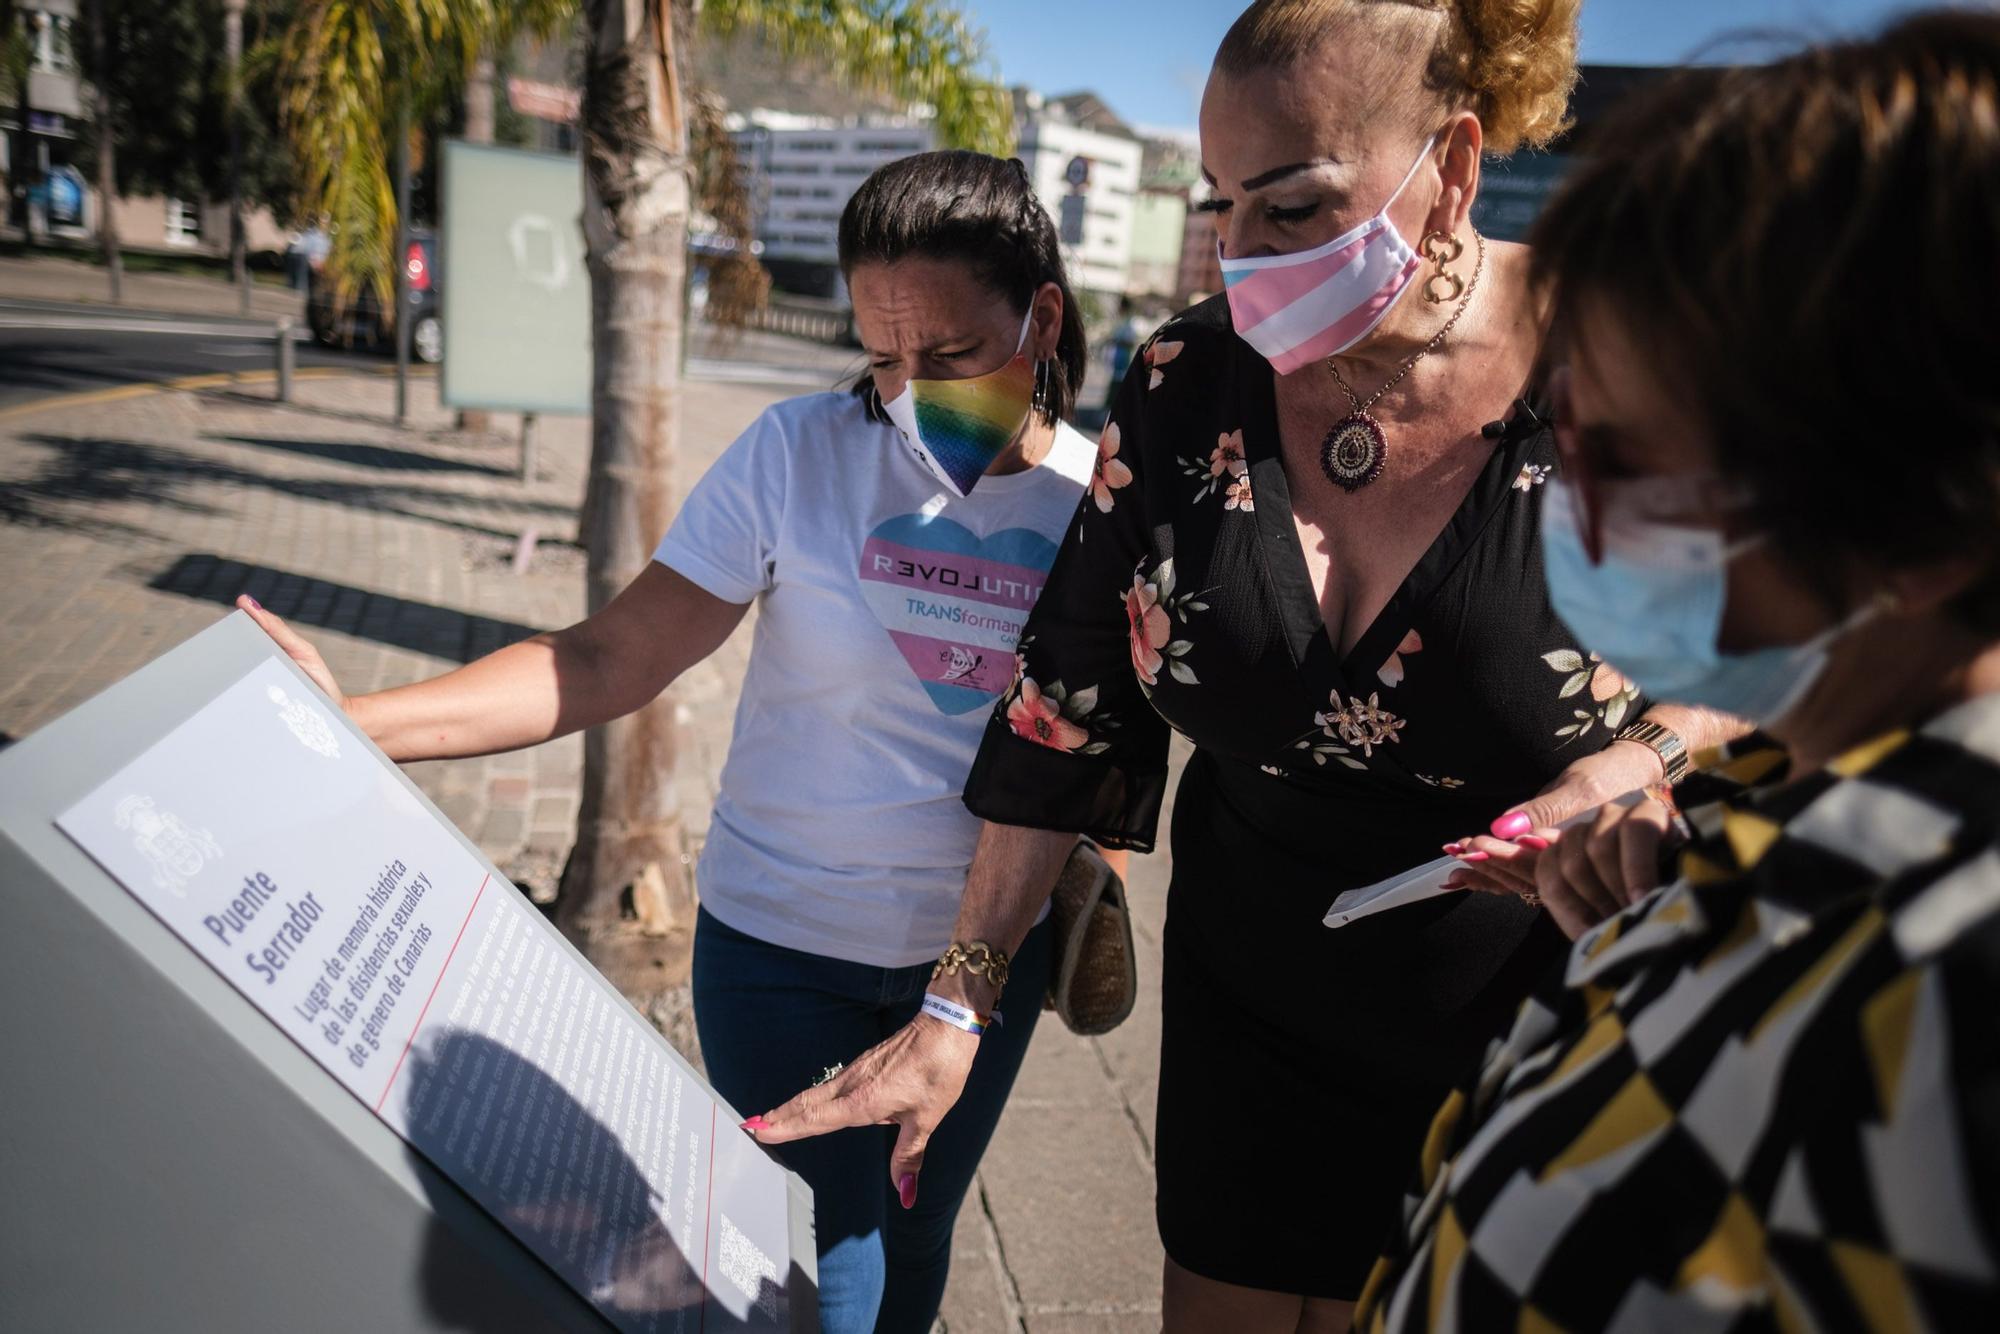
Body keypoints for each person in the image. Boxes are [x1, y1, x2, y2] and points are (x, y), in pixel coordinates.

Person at [744, 3, 1743, 1330]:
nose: (1239, 255)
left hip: (1535, 1013)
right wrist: (959, 1005)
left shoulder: (1638, 363)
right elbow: (1063, 709)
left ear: (1450, 165)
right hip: (1253, 998)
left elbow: (1836, 628)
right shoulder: (1182, 382)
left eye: (1290, 206)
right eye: (1222, 204)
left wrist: (1647, 755)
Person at [240, 149, 1100, 1334]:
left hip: (977, 971)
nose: (910, 395)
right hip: (778, 956)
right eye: (881, 360)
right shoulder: (795, 453)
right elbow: (606, 659)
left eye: (950, 356)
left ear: (1039, 315)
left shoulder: (1098, 503)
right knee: (817, 1281)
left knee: (915, 1237)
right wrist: (353, 723)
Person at [1357, 12, 2000, 1328]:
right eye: (1570, 433)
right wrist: (1643, 945)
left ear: (1932, 507)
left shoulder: (1959, 996)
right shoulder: (1786, 823)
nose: (1565, 501)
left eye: (1634, 464)